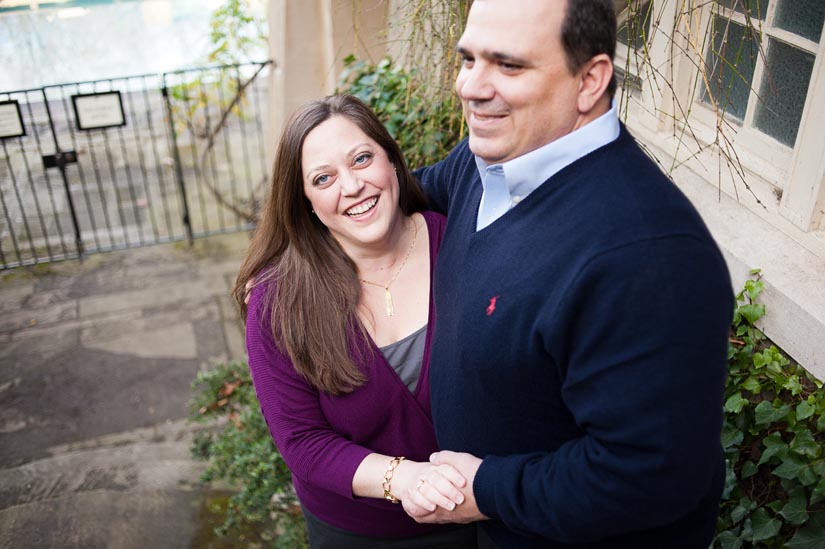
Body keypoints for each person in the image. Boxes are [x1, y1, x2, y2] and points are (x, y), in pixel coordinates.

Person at [402, 1, 734, 547]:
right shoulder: (489, 161)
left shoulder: (645, 255)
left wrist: (487, 489)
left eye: (508, 66)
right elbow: (412, 192)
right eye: (468, 59)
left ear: (590, 81)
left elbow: (650, 475)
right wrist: (300, 237)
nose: (472, 86)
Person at [235, 94, 477, 548]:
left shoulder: (461, 244)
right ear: (304, 199)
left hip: (484, 517)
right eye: (323, 178)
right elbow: (303, 442)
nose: (352, 186)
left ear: (391, 159)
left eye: (362, 158)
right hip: (361, 533)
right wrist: (404, 480)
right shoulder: (278, 301)